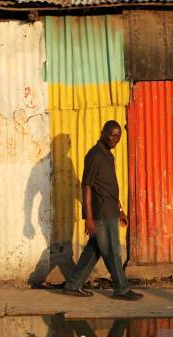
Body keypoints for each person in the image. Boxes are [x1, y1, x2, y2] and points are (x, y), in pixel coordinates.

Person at [63, 121, 143, 301]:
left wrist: (120, 208)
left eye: (118, 137)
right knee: (112, 251)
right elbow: (87, 186)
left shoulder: (108, 155)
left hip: (111, 209)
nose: (115, 140)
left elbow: (109, 187)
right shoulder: (95, 155)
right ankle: (121, 289)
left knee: (95, 249)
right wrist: (89, 217)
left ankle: (73, 285)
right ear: (103, 132)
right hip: (101, 213)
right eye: (112, 135)